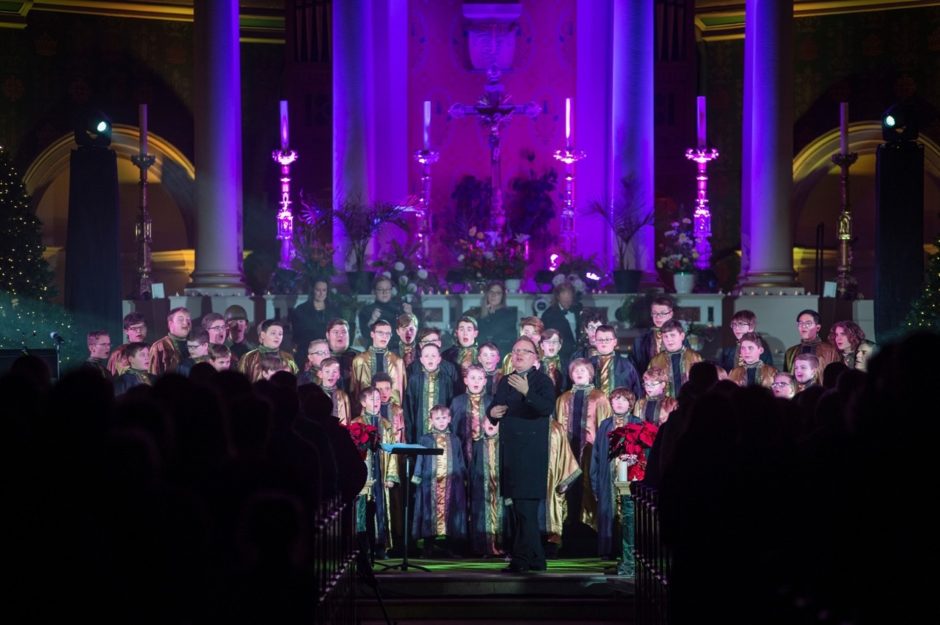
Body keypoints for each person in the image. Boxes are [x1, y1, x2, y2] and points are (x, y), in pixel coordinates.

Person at [487, 337, 556, 573]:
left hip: (531, 454)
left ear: (535, 356)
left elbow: (547, 408)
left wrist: (527, 391)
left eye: (524, 351)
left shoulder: (542, 381)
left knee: (526, 510)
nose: (517, 355)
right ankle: (536, 559)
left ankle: (521, 560)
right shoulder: (506, 381)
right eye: (514, 351)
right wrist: (493, 413)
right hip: (511, 453)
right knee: (518, 510)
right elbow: (494, 407)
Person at [554, 358, 612, 536]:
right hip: (568, 451)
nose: (579, 374)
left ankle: (590, 532)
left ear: (590, 374)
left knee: (589, 487)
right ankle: (567, 529)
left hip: (591, 451)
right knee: (569, 489)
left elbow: (606, 426)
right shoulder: (563, 398)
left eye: (583, 371)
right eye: (575, 371)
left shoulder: (599, 397)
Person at [411, 405, 467, 557]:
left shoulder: (455, 439)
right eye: (437, 418)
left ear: (449, 419)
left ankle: (450, 548)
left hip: (452, 484)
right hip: (430, 484)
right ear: (431, 420)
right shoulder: (425, 439)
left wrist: (463, 477)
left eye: (444, 418)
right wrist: (417, 477)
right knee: (429, 513)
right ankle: (428, 547)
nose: (441, 421)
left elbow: (460, 459)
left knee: (451, 514)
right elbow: (420, 459)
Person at [352, 386, 399, 561]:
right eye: (372, 400)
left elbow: (392, 452)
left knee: (381, 508)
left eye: (378, 400)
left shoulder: (386, 424)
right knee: (362, 510)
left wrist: (391, 476)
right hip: (364, 474)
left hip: (380, 472)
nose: (376, 403)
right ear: (363, 402)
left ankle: (380, 546)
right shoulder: (356, 423)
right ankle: (362, 546)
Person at [350, 319, 406, 412]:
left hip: (392, 413)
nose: (384, 336)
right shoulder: (359, 360)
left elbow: (401, 391)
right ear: (372, 334)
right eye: (381, 333)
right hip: (365, 413)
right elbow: (354, 390)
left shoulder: (397, 361)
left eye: (388, 334)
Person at [404, 343, 455, 443]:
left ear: (439, 359)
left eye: (433, 356)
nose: (430, 359)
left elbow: (450, 405)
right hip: (419, 430)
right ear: (421, 360)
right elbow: (409, 408)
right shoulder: (414, 380)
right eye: (426, 356)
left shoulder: (446, 380)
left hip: (443, 431)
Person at [470, 416, 505, 557]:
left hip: (499, 488)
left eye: (495, 423)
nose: (491, 425)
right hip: (482, 488)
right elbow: (473, 466)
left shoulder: (503, 443)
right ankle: (486, 547)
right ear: (482, 425)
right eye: (488, 422)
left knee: (501, 516)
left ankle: (500, 545)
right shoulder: (478, 444)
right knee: (483, 517)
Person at [289, 278, 340, 368]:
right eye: (318, 290)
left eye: (324, 290)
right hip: (306, 352)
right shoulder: (301, 310)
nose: (321, 293)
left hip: (328, 353)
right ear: (312, 290)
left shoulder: (334, 310)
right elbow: (297, 335)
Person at [647, 320, 703, 398]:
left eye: (672, 335)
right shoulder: (655, 361)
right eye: (665, 336)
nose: (669, 339)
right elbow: (649, 384)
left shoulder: (694, 357)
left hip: (690, 403)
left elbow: (702, 384)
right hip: (665, 406)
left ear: (682, 336)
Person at [450, 363, 493, 465]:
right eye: (472, 378)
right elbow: (453, 426)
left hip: (486, 445)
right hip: (463, 444)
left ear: (485, 382)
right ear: (466, 381)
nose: (476, 381)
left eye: (480, 378)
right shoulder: (457, 401)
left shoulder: (491, 402)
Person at [358, 276, 411, 350]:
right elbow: (365, 335)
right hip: (376, 351)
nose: (384, 292)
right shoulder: (367, 310)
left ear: (391, 291)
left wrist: (410, 315)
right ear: (374, 291)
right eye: (380, 289)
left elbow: (412, 332)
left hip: (397, 350)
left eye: (387, 289)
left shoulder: (400, 308)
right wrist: (372, 320)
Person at [467, 280, 518, 356]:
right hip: (482, 354)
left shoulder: (510, 315)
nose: (493, 295)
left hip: (502, 354)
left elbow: (494, 331)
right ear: (487, 294)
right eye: (491, 292)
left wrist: (491, 315)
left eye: (498, 293)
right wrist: (486, 314)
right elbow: (478, 336)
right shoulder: (478, 315)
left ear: (502, 296)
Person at [591, 325, 641, 398]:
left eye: (607, 339)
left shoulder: (627, 365)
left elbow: (636, 391)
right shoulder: (588, 365)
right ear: (595, 341)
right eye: (600, 339)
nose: (604, 342)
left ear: (615, 342)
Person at [632, 296, 676, 374]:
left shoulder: (679, 338)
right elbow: (635, 367)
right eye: (654, 313)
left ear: (671, 314)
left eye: (662, 313)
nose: (658, 317)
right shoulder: (641, 340)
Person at [540, 282, 582, 362]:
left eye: (569, 294)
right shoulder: (549, 315)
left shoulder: (578, 310)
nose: (567, 299)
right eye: (564, 294)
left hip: (578, 355)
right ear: (558, 297)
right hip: (561, 357)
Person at [149, 307, 191, 376]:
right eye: (181, 319)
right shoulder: (159, 346)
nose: (186, 323)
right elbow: (153, 376)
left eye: (188, 319)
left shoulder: (196, 343)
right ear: (171, 324)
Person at [316, 357, 351, 425]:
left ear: (338, 375)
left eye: (334, 372)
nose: (331, 375)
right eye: (327, 371)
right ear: (320, 374)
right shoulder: (315, 393)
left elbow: (347, 418)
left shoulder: (343, 396)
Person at [326, 318, 359, 391]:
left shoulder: (358, 357)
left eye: (344, 332)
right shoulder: (320, 356)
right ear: (328, 335)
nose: (340, 335)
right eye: (336, 332)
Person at [373, 372, 406, 442]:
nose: (384, 392)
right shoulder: (370, 408)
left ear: (391, 390)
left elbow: (402, 435)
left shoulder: (397, 410)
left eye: (387, 388)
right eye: (380, 389)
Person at [539, 328, 566, 395]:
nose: (551, 344)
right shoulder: (537, 366)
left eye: (554, 342)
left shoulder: (567, 365)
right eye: (548, 342)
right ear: (542, 346)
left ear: (559, 346)